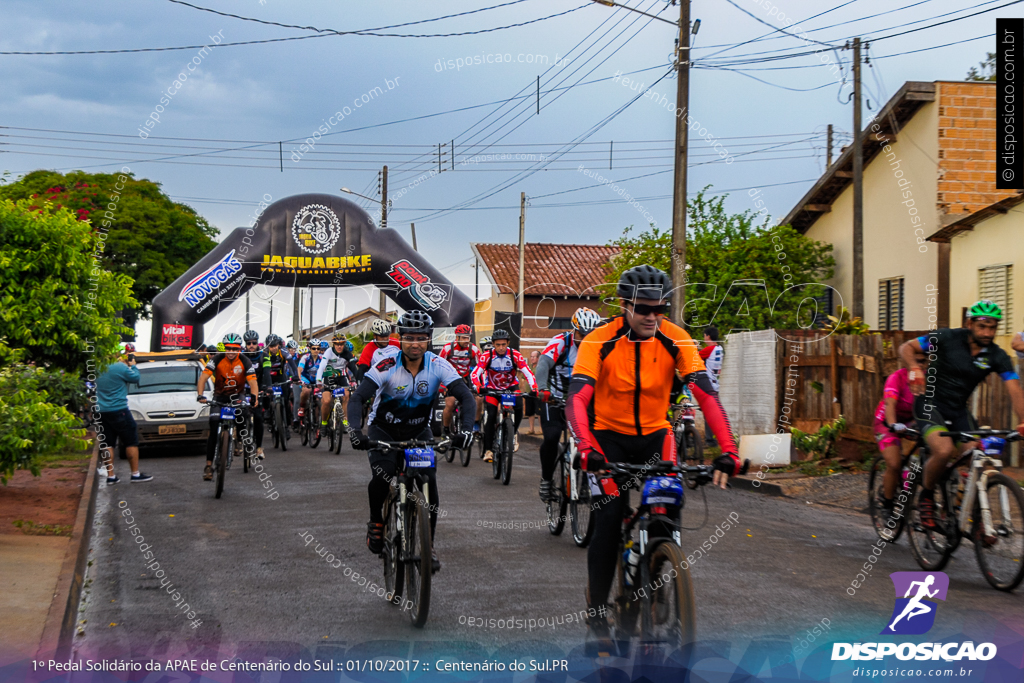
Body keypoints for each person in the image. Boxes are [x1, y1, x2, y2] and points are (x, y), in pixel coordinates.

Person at [565, 265, 741, 648]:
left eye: (660, 309)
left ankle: (659, 575)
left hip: (656, 438)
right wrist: (586, 446)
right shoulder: (599, 341)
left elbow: (707, 396)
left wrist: (728, 450)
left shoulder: (677, 340)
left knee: (667, 511)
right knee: (609, 517)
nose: (651, 317)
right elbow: (577, 398)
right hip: (607, 439)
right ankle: (597, 610)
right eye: (643, 309)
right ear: (625, 305)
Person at [347, 310, 474, 571]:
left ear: (428, 340)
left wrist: (468, 431)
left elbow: (467, 397)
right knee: (383, 475)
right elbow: (359, 397)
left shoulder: (438, 364)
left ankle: (429, 546)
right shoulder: (386, 365)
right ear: (400, 339)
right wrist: (355, 432)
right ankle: (376, 523)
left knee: (429, 483)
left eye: (420, 338)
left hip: (418, 432)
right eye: (408, 338)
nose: (414, 343)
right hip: (384, 431)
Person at [898, 300, 1024, 530]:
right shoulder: (947, 338)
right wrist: (914, 368)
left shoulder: (997, 355)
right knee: (944, 449)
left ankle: (963, 515)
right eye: (982, 326)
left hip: (957, 409)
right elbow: (906, 347)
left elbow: (1014, 389)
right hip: (929, 404)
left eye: (993, 327)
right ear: (969, 323)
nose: (987, 332)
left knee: (975, 455)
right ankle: (926, 496)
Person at [535, 307, 602, 503]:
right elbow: (543, 365)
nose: (585, 340)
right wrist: (542, 388)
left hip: (583, 401)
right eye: (582, 335)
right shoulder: (561, 342)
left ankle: (584, 485)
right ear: (574, 330)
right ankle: (546, 480)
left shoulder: (599, 347)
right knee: (552, 436)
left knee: (592, 440)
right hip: (555, 398)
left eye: (590, 335)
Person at [872, 348, 927, 522]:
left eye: (923, 361)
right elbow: (890, 404)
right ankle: (887, 504)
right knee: (895, 464)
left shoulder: (930, 380)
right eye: (915, 360)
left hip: (911, 422)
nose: (919, 365)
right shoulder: (896, 378)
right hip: (887, 422)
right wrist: (894, 424)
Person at [196, 333, 259, 481]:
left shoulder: (245, 361)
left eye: (234, 349)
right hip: (219, 397)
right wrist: (200, 395)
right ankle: (208, 465)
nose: (231, 352)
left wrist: (254, 397)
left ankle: (239, 440)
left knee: (242, 415)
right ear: (224, 349)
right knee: (213, 425)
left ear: (239, 349)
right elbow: (203, 378)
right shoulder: (217, 359)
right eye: (228, 349)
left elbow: (253, 382)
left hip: (238, 396)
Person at [471, 329, 537, 462]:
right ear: (493, 344)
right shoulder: (487, 356)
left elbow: (528, 372)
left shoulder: (515, 355)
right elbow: (475, 374)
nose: (501, 348)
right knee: (491, 415)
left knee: (519, 407)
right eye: (498, 345)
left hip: (511, 387)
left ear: (508, 343)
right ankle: (489, 450)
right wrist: (478, 386)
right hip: (492, 389)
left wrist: (534, 387)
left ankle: (513, 433)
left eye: (503, 344)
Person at [95, 343, 152, 484]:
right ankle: (135, 474)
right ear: (116, 354)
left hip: (102, 411)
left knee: (108, 443)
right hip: (120, 410)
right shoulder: (119, 367)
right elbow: (135, 378)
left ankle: (111, 476)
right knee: (131, 441)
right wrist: (132, 365)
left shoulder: (97, 367)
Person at [438, 324, 483, 434]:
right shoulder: (448, 348)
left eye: (468, 337)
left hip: (465, 377)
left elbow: (481, 367)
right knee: (450, 404)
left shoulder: (474, 349)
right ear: (457, 337)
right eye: (463, 337)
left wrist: (481, 384)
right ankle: (446, 429)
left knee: (477, 399)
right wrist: (441, 385)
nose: (466, 340)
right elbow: (438, 366)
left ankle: (474, 425)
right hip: (449, 378)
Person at [317, 331, 355, 439]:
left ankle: (344, 421)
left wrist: (360, 380)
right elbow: (322, 366)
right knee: (327, 401)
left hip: (341, 378)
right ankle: (323, 423)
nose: (339, 346)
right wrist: (318, 380)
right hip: (328, 377)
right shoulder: (328, 352)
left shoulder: (347, 353)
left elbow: (353, 367)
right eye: (337, 344)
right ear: (333, 344)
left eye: (341, 344)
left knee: (346, 395)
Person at [242, 330, 267, 460]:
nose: (251, 345)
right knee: (240, 414)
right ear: (245, 344)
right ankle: (237, 440)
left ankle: (259, 448)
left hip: (258, 390)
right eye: (248, 343)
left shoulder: (264, 355)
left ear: (258, 343)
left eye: (254, 343)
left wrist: (267, 387)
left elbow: (266, 373)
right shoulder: (240, 356)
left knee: (258, 417)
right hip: (243, 389)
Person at [699, 326, 725, 447]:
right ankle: (714, 439)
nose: (704, 338)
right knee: (714, 413)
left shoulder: (709, 350)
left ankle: (710, 441)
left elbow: (696, 357)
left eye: (704, 336)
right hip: (716, 385)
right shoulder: (719, 349)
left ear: (708, 336)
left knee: (709, 414)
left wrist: (694, 347)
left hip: (708, 386)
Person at [296, 339, 323, 425]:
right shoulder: (305, 357)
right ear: (310, 348)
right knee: (307, 390)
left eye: (318, 348)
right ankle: (302, 407)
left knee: (321, 397)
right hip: (306, 378)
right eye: (314, 348)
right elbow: (300, 369)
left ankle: (319, 422)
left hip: (317, 379)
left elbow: (325, 370)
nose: (316, 350)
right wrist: (299, 379)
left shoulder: (322, 358)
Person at [523, 351, 540, 435]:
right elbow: (523, 378)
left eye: (534, 357)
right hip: (528, 393)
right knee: (530, 412)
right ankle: (531, 429)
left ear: (538, 358)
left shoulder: (540, 367)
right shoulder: (528, 367)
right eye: (531, 356)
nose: (532, 358)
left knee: (539, 412)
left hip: (537, 393)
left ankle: (541, 429)